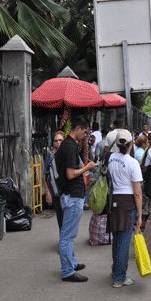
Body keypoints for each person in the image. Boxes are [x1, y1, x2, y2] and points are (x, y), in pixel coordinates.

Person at [55, 116, 97, 282]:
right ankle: (67, 271)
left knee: (69, 234)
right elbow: (71, 174)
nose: (85, 135)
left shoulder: (69, 145)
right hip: (73, 196)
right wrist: (87, 167)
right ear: (78, 129)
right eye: (85, 132)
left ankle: (71, 262)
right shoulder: (70, 147)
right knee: (67, 236)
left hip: (71, 195)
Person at [107, 129, 143, 287]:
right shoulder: (132, 163)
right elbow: (137, 193)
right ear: (131, 144)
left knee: (117, 239)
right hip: (127, 203)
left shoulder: (111, 158)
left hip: (113, 201)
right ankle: (119, 278)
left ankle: (116, 270)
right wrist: (140, 215)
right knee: (123, 241)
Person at [43, 130, 65, 229]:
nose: (58, 143)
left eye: (60, 140)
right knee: (60, 217)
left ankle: (66, 240)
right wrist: (48, 193)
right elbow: (45, 175)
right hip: (56, 193)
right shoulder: (50, 156)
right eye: (56, 141)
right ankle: (63, 240)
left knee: (67, 218)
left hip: (68, 191)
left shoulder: (68, 153)